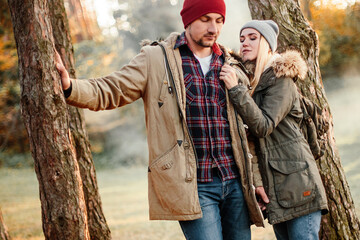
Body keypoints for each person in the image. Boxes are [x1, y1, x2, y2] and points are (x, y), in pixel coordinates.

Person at [55, 0, 266, 239]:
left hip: (235, 183)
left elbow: (247, 132)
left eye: (219, 20)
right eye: (205, 19)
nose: (213, 29)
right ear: (188, 20)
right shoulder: (156, 59)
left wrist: (256, 180)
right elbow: (112, 89)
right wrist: (70, 87)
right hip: (194, 187)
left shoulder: (231, 64)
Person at [220, 20, 329, 240]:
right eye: (242, 39)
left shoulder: (281, 81)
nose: (245, 44)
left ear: (268, 45)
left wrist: (236, 90)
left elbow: (263, 126)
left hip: (299, 186)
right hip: (278, 191)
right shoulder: (257, 85)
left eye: (252, 38)